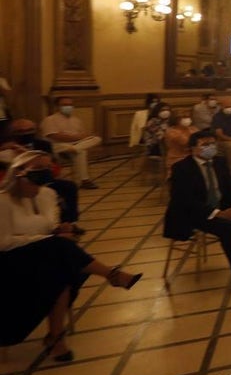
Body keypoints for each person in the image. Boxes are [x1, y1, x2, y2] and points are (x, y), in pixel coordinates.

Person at [1, 150, 142, 360]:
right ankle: (112, 275)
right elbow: (3, 242)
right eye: (39, 169)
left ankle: (56, 337)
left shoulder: (47, 195)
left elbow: (50, 227)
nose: (45, 175)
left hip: (45, 255)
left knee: (62, 268)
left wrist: (61, 230)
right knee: (61, 254)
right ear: (20, 173)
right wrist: (45, 240)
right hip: (11, 260)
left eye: (48, 168)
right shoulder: (3, 201)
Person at [164, 132, 231, 293]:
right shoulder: (181, 168)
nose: (210, 148)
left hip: (222, 205)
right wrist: (218, 213)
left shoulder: (219, 162)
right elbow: (186, 201)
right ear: (193, 148)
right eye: (205, 145)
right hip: (196, 213)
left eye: (212, 144)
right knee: (228, 228)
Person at [0, 120, 81, 224]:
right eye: (20, 131)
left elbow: (53, 169)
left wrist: (25, 152)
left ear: (35, 130)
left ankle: (69, 222)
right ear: (13, 133)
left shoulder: (43, 144)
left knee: (69, 186)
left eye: (29, 130)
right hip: (18, 183)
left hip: (42, 178)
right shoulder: (6, 147)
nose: (25, 133)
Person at [39, 97, 103, 189]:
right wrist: (76, 138)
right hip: (58, 145)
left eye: (70, 104)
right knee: (81, 151)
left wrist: (78, 139)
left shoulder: (76, 120)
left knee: (96, 139)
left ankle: (76, 149)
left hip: (76, 144)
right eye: (64, 105)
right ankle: (84, 180)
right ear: (58, 106)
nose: (68, 107)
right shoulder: (50, 119)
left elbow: (84, 135)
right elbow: (55, 136)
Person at [164, 108, 196, 176]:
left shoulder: (193, 128)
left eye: (188, 117)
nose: (187, 119)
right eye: (184, 117)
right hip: (177, 159)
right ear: (176, 119)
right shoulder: (171, 131)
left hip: (192, 157)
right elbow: (187, 142)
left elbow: (200, 140)